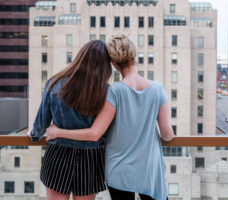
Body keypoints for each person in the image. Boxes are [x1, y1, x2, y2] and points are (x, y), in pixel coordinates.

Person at [46, 33, 174, 200]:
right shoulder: (157, 89)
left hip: (119, 170)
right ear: (134, 55)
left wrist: (57, 132)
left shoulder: (115, 91)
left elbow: (94, 134)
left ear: (113, 63)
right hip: (149, 170)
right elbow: (167, 134)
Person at [27, 40, 112, 200]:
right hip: (91, 158)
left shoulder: (55, 83)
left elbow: (42, 123)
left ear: (80, 57)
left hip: (59, 153)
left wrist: (34, 136)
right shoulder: (106, 92)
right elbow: (106, 131)